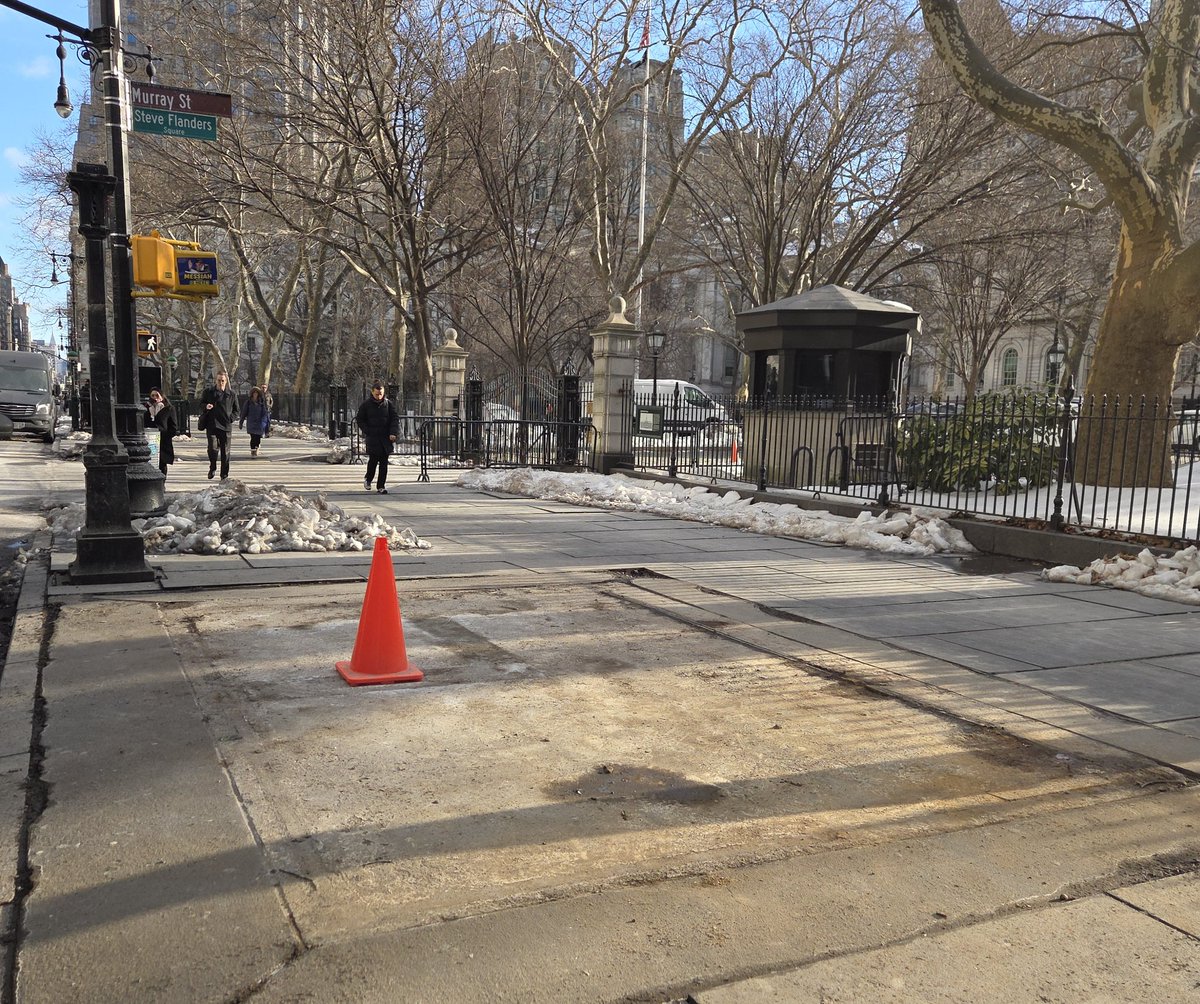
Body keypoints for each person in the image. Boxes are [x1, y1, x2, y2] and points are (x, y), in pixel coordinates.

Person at [354, 380, 399, 494]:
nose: (379, 396)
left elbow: (394, 419)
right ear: (372, 392)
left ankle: (381, 486)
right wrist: (367, 430)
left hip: (385, 438)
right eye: (377, 394)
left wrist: (393, 433)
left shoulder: (388, 404)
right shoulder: (366, 405)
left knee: (384, 463)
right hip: (373, 437)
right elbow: (360, 419)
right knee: (373, 461)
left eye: (381, 394)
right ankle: (368, 479)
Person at [200, 369, 238, 479]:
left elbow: (237, 410)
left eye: (222, 381)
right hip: (212, 425)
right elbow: (201, 404)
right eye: (218, 380)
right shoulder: (208, 392)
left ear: (226, 382)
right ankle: (212, 466)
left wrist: (230, 418)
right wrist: (206, 406)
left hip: (226, 426)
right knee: (212, 448)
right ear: (215, 381)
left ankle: (224, 475)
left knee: (225, 452)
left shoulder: (231, 394)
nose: (220, 383)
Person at [145, 387, 177, 477]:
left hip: (163, 440)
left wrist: (166, 435)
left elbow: (173, 427)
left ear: (161, 396)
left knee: (162, 464)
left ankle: (162, 483)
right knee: (151, 462)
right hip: (150, 438)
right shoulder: (146, 408)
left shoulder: (169, 409)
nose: (155, 398)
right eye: (152, 395)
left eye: (157, 395)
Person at [239, 385, 271, 458]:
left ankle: (257, 448)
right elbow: (244, 412)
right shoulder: (248, 402)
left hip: (259, 422)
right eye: (254, 393)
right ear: (252, 394)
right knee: (253, 437)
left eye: (257, 393)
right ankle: (253, 451)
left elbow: (265, 412)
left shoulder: (261, 403)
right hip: (251, 422)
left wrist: (265, 422)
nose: (255, 394)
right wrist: (241, 422)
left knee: (258, 437)